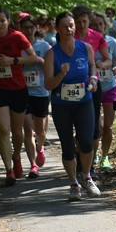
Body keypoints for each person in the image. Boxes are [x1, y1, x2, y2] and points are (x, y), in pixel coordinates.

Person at [44, 11, 101, 201]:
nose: (69, 29)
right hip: (62, 105)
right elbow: (48, 84)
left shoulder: (85, 48)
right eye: (65, 26)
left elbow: (92, 67)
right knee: (68, 146)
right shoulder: (52, 53)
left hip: (84, 102)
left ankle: (86, 177)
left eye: (71, 25)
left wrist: (93, 80)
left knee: (86, 141)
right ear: (57, 29)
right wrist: (61, 74)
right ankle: (73, 184)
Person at [0, 7, 41, 185]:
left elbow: (33, 58)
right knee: (4, 131)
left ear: (8, 21)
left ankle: (16, 156)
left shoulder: (17, 36)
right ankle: (9, 170)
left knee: (18, 132)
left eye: (2, 20)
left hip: (17, 88)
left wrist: (13, 61)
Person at [73, 5, 110, 183]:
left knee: (94, 128)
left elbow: (108, 59)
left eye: (84, 22)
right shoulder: (68, 36)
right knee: (79, 128)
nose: (81, 25)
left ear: (89, 21)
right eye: (78, 22)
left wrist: (101, 64)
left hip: (93, 86)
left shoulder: (97, 37)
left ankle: (90, 164)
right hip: (72, 86)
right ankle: (80, 159)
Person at [19, 16, 50, 174]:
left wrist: (39, 60)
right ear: (21, 29)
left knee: (39, 130)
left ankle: (40, 147)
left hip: (40, 92)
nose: (29, 31)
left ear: (35, 28)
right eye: (26, 28)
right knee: (27, 130)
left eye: (31, 27)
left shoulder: (44, 46)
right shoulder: (18, 46)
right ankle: (33, 165)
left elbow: (51, 66)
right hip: (23, 92)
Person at [92, 13, 116, 170]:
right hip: (94, 88)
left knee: (108, 127)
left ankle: (105, 157)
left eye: (100, 24)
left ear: (105, 25)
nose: (98, 27)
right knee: (97, 126)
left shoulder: (112, 42)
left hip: (110, 87)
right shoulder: (88, 42)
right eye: (94, 25)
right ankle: (95, 154)